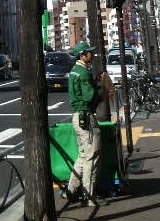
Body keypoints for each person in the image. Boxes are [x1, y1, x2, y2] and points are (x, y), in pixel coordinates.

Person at [62, 41, 105, 208]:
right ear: (82, 55)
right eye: (89, 52)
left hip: (77, 117)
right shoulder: (83, 73)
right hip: (86, 117)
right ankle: (89, 196)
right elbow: (90, 96)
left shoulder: (74, 71)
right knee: (92, 157)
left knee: (82, 156)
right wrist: (99, 87)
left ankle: (71, 190)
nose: (91, 55)